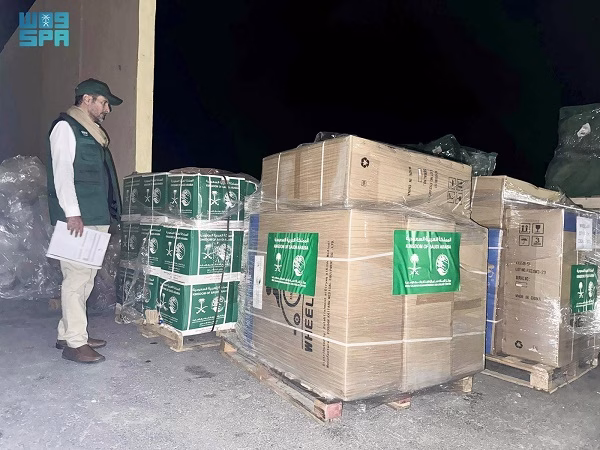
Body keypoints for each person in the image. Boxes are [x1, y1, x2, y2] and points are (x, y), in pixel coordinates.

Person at [47, 78, 122, 364]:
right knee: (76, 279)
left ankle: (67, 333)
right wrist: (72, 214)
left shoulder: (91, 133)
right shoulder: (66, 127)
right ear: (87, 99)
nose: (107, 109)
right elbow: (62, 172)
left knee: (85, 277)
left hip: (94, 215)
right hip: (78, 218)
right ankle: (75, 344)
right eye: (104, 103)